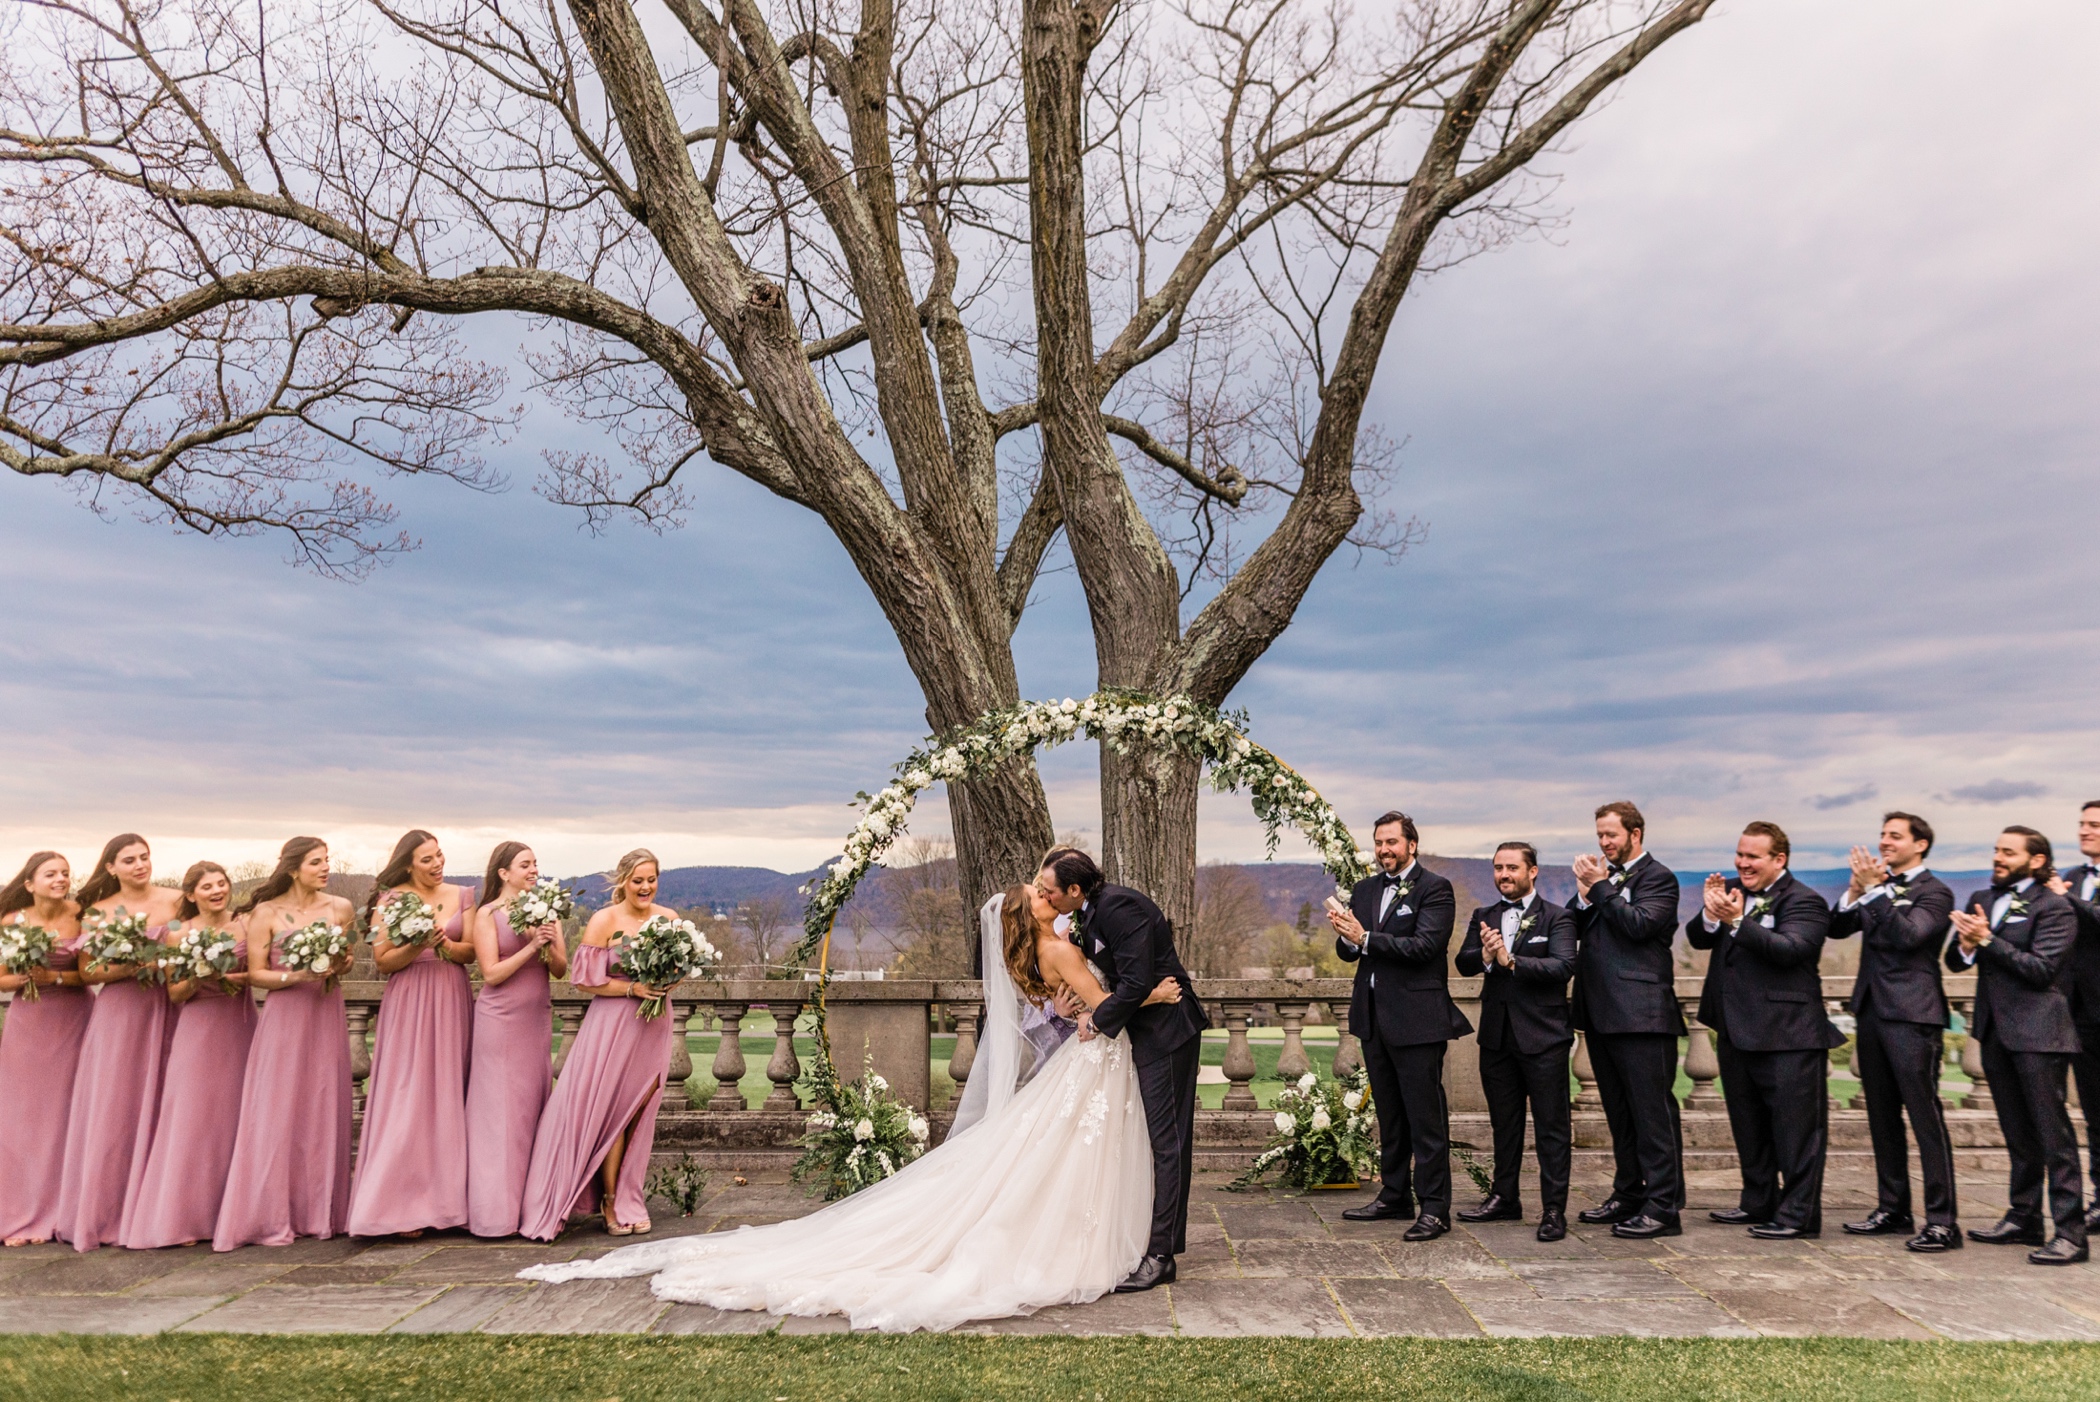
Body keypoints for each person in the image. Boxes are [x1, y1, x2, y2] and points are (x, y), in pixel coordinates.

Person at [520, 882, 1182, 1331]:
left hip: (1089, 1061)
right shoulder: (1060, 943)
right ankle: (1083, 1240)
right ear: (1029, 915)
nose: (1046, 897)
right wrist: (1150, 997)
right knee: (1065, 1154)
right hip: (1095, 1059)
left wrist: (1087, 1006)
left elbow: (1076, 1007)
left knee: (1054, 1156)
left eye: (1045, 889)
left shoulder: (1038, 949)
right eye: (1038, 895)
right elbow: (1099, 1008)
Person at [1039, 848, 1211, 1288]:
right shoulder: (1087, 914)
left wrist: (1096, 1021)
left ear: (1075, 890)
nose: (1047, 897)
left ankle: (1161, 1255)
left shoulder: (1120, 906)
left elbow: (1135, 983)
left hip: (1167, 1029)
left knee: (1168, 1144)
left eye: (1051, 891)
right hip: (1138, 1031)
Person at [1687, 821, 1841, 1238]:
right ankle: (1757, 1202)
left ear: (1779, 859)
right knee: (1748, 1124)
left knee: (1796, 1132)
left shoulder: (1805, 901)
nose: (1742, 863)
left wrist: (1738, 921)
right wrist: (1710, 912)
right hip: (1736, 1030)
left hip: (1789, 1034)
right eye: (1740, 854)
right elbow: (1697, 939)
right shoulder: (1733, 893)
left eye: (1752, 856)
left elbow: (1791, 950)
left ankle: (1798, 1217)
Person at [517, 849, 680, 1240]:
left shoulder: (671, 919)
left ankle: (629, 1196)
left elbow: (678, 970)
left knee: (642, 1112)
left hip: (654, 1023)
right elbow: (584, 980)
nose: (645, 887)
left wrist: (667, 982)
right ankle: (610, 1201)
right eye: (637, 880)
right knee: (615, 1114)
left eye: (651, 879)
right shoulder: (604, 920)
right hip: (613, 1024)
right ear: (623, 880)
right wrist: (632, 988)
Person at [1326, 811, 1470, 1242]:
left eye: (1392, 842)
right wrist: (1346, 933)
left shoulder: (1435, 889)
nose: (1384, 850)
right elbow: (1352, 950)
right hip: (1372, 1016)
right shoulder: (1366, 888)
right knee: (1389, 1115)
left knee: (1425, 1118)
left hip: (1418, 1020)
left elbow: (1425, 946)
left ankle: (1435, 1208)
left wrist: (1365, 937)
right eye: (1379, 842)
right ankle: (1394, 1195)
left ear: (1411, 844)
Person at [1948, 826, 2086, 1264]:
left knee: (2053, 1136)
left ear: (2038, 860)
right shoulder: (1985, 901)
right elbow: (1955, 960)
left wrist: (1988, 941)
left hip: (2040, 1032)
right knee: (2016, 1134)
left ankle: (2071, 1233)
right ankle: (2023, 1217)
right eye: (1995, 850)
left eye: (2008, 852)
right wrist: (1969, 945)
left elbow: (2042, 970)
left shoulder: (2057, 908)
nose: (1998, 858)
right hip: (1994, 1031)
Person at [213, 837, 357, 1251]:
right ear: (294, 869)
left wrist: (341, 963)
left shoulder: (340, 909)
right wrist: (294, 978)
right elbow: (256, 973)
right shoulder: (267, 912)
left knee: (322, 1103)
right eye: (316, 862)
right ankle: (269, 1212)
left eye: (327, 861)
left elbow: (343, 961)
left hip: (326, 1011)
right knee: (276, 1107)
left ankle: (319, 1213)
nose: (325, 868)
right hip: (285, 1016)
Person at [1827, 811, 1960, 1251]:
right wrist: (1855, 887)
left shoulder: (1935, 892)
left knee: (1925, 1119)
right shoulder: (1874, 889)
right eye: (1882, 834)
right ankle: (1893, 1208)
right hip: (1871, 1012)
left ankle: (1942, 1221)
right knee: (1881, 1116)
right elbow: (1837, 927)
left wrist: (1876, 889)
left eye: (1895, 836)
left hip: (1913, 1014)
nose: (1884, 842)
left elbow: (1907, 937)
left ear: (1920, 844)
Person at [346, 829, 476, 1239]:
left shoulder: (464, 895)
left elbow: (470, 951)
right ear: (407, 864)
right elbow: (383, 961)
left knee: (448, 1093)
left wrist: (444, 947)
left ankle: (446, 1202)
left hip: (451, 994)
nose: (438, 864)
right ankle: (399, 1203)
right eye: (427, 859)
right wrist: (416, 944)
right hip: (409, 1001)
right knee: (409, 1095)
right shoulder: (389, 901)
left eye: (439, 856)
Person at [122, 862, 258, 1249]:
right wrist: (201, 974)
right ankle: (184, 1216)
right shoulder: (177, 933)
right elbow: (176, 993)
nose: (217, 890)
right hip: (198, 1031)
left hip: (242, 1025)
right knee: (193, 1119)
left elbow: (260, 971)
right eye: (207, 886)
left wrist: (236, 977)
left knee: (239, 1116)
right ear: (192, 894)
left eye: (222, 883)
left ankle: (233, 1213)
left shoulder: (245, 924)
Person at [57, 833, 182, 1251]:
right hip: (121, 1015)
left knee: (172, 1103)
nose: (139, 865)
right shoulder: (96, 912)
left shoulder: (177, 902)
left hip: (173, 1007)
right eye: (128, 860)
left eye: (144, 857)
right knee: (118, 1105)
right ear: (111, 867)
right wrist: (129, 967)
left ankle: (168, 1209)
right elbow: (89, 972)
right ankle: (110, 1212)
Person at [1568, 800, 1686, 1239]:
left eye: (1611, 835)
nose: (1604, 843)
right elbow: (1572, 927)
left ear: (1635, 834)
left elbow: (1638, 926)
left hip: (1643, 1015)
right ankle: (1628, 1192)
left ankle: (1663, 1206)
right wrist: (1584, 895)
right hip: (1599, 1014)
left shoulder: (1660, 878)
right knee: (1619, 1113)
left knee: (1652, 1114)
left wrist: (1599, 888)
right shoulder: (1602, 882)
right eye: (1599, 835)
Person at [1453, 841, 1576, 1241]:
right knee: (1504, 1125)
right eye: (1497, 868)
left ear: (1532, 871)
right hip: (1497, 1037)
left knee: (1551, 1128)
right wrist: (1488, 957)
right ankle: (1505, 1198)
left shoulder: (1557, 917)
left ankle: (1554, 1209)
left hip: (1544, 1038)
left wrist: (1512, 960)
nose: (1503, 875)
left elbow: (1561, 967)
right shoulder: (1484, 915)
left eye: (1511, 868)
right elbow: (1463, 961)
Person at [465, 841, 569, 1238]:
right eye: (524, 864)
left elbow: (560, 970)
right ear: (503, 873)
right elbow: (490, 973)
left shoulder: (548, 912)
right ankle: (496, 1212)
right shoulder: (487, 913)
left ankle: (535, 1206)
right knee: (499, 1115)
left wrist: (548, 940)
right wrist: (530, 945)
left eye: (535, 863)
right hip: (499, 1020)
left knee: (531, 1110)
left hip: (535, 1019)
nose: (533, 869)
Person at [0, 852, 89, 1247]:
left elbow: (88, 972)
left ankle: (68, 1209)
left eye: (65, 873)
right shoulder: (12, 922)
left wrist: (51, 975)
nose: (60, 879)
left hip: (77, 1018)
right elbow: (1, 982)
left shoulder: (82, 914)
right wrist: (22, 978)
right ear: (30, 883)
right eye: (50, 874)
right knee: (27, 1117)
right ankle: (23, 1210)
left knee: (71, 1111)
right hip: (30, 1024)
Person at [2046, 800, 2100, 1235]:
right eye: (2082, 823)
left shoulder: (2068, 887)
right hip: (2076, 1010)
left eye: (2094, 825)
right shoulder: (2073, 877)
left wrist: (2067, 901)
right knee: (2094, 1110)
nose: (2085, 831)